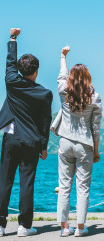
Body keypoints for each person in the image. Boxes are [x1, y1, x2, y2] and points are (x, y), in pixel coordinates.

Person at [0, 28, 53, 237]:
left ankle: (1, 226)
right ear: (37, 71)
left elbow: (9, 63)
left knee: (4, 182)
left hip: (11, 139)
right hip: (31, 142)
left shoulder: (12, 82)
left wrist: (13, 39)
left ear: (20, 70)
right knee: (27, 183)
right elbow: (45, 122)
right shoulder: (44, 94)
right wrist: (44, 146)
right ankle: (24, 226)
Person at [51, 46, 102, 237]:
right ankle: (80, 228)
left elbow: (61, 77)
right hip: (85, 144)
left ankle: (64, 228)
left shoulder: (65, 92)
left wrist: (63, 56)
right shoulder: (94, 97)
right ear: (88, 78)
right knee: (82, 188)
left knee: (64, 186)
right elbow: (95, 128)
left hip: (65, 142)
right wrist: (96, 151)